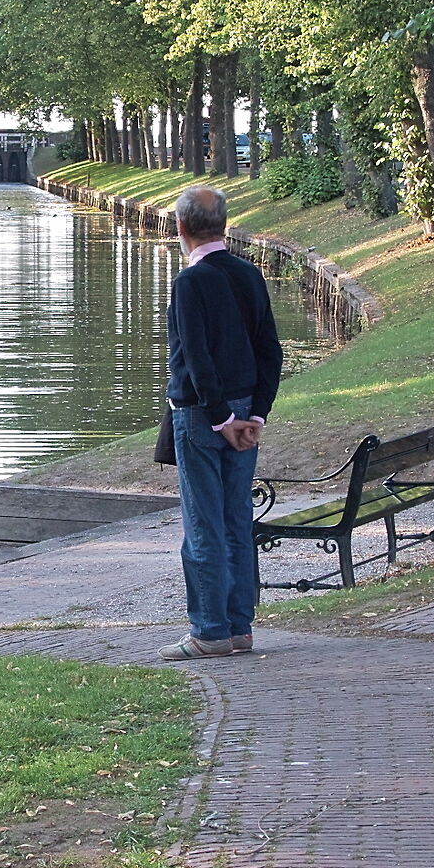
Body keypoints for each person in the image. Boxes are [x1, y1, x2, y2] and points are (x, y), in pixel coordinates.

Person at [160, 185, 282, 660]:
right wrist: (255, 414)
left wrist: (220, 418)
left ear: (182, 228)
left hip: (202, 417)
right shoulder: (250, 274)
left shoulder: (190, 282)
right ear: (224, 225)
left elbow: (196, 355)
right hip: (245, 415)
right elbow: (270, 351)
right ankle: (238, 628)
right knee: (236, 521)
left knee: (203, 525)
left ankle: (209, 632)